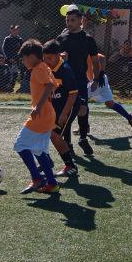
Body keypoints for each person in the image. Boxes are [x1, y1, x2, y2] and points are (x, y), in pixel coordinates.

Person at [14, 39, 59, 195]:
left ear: (32, 56)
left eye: (24, 58)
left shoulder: (38, 69)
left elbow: (48, 85)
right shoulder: (45, 67)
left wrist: (38, 107)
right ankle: (52, 184)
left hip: (42, 115)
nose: (24, 61)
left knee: (20, 145)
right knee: (39, 151)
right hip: (48, 115)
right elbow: (54, 84)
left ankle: (37, 178)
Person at [56, 6, 98, 156]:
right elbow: (52, 57)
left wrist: (97, 77)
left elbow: (95, 60)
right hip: (65, 81)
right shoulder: (61, 38)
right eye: (67, 20)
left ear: (80, 21)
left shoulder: (88, 39)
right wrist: (60, 56)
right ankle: (67, 142)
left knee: (83, 109)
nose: (69, 23)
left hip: (80, 80)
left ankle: (82, 138)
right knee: (66, 112)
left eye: (72, 20)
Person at [45, 41, 82, 180]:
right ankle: (49, 161)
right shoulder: (47, 68)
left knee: (54, 135)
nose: (46, 61)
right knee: (48, 133)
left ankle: (70, 166)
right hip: (56, 107)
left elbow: (73, 94)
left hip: (69, 107)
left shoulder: (65, 70)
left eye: (49, 58)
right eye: (44, 58)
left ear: (57, 56)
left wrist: (64, 114)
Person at [86, 52, 132, 133]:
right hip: (97, 80)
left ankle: (84, 126)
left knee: (82, 101)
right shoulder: (78, 53)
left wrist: (101, 73)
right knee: (110, 103)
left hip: (98, 80)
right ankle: (130, 117)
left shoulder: (89, 51)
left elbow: (103, 58)